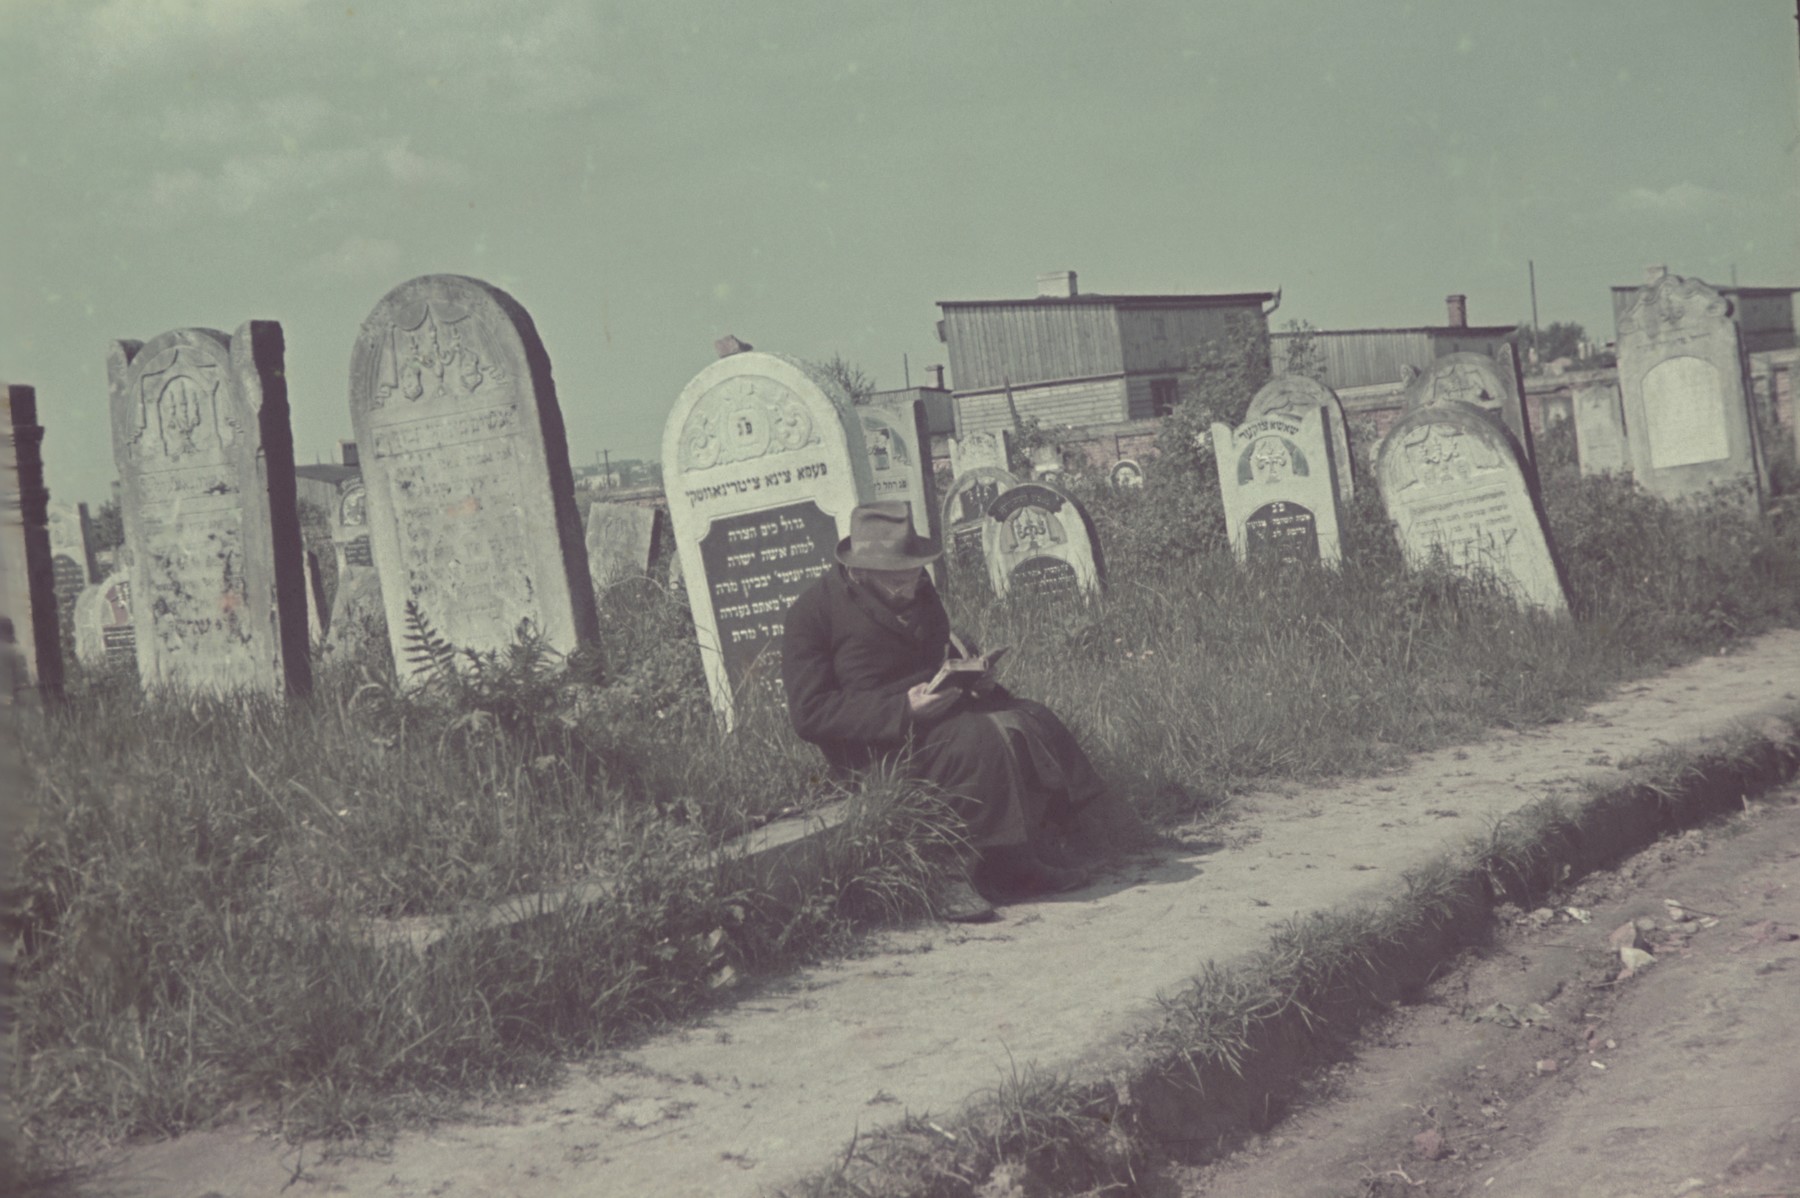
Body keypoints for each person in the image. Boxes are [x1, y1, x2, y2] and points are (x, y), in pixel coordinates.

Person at [781, 501, 1113, 922]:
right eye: (894, 581)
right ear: (859, 570)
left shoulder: (920, 591)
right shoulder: (812, 613)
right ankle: (948, 873)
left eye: (913, 574)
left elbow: (933, 659)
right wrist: (904, 709)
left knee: (1027, 720)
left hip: (935, 709)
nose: (908, 587)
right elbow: (810, 713)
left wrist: (973, 680)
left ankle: (1017, 858)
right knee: (976, 740)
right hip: (873, 740)